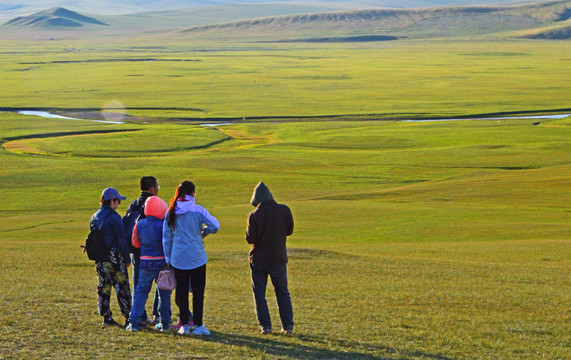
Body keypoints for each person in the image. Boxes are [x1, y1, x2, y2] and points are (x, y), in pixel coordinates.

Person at [163, 181, 219, 336]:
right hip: (196, 257)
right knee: (198, 292)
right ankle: (199, 325)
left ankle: (185, 325)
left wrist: (168, 257)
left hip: (178, 257)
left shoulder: (171, 211)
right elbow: (215, 225)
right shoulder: (198, 210)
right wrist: (205, 231)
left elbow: (166, 237)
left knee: (182, 293)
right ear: (193, 193)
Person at [246, 182, 294, 334]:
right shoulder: (284, 210)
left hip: (259, 260)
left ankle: (265, 326)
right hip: (278, 258)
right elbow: (289, 231)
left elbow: (250, 239)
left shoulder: (254, 215)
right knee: (282, 292)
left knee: (259, 294)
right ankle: (287, 326)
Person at [127, 196, 172, 332]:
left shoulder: (140, 224)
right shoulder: (164, 225)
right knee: (164, 294)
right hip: (162, 263)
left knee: (140, 292)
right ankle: (164, 323)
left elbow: (135, 243)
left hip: (145, 262)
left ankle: (133, 323)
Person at [90, 187, 132, 326]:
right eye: (118, 201)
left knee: (104, 287)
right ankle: (128, 317)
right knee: (122, 287)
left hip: (100, 259)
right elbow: (121, 240)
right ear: (112, 201)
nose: (118, 204)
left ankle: (106, 317)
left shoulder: (94, 217)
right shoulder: (114, 218)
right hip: (115, 259)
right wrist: (127, 258)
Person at [123, 176, 160, 325]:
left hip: (136, 251)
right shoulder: (156, 204)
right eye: (157, 186)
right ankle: (158, 314)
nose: (158, 189)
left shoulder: (133, 204)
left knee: (138, 284)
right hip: (154, 252)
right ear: (152, 188)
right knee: (161, 281)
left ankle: (140, 315)